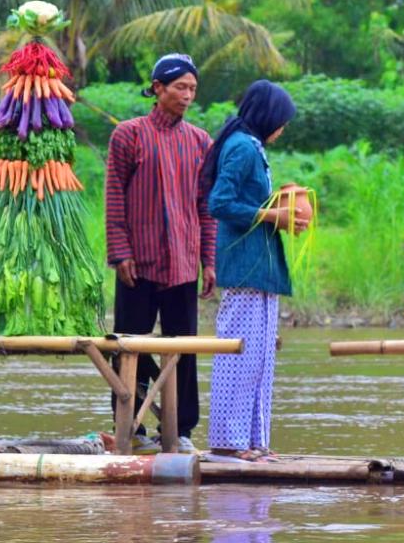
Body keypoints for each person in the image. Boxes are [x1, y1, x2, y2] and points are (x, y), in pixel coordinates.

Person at [105, 53, 216, 454]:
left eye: (192, 89)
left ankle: (180, 430)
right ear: (157, 89)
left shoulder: (201, 141)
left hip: (184, 263)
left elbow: (206, 206)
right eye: (180, 87)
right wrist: (120, 253)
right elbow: (115, 198)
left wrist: (209, 260)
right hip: (139, 263)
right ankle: (129, 426)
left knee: (183, 347)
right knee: (129, 346)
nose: (187, 96)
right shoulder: (129, 135)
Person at [202, 80, 309, 462]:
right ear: (267, 117)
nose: (283, 128)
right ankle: (229, 444)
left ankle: (254, 442)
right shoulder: (243, 148)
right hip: (244, 264)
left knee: (262, 357)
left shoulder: (252, 147)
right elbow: (220, 203)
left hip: (259, 265)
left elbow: (245, 199)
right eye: (281, 120)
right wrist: (271, 213)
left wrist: (277, 200)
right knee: (240, 355)